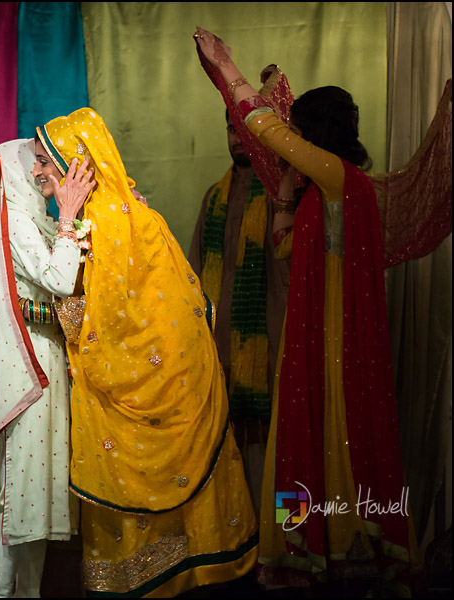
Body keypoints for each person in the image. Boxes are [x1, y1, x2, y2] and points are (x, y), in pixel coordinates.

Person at [195, 27, 417, 595]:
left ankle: (345, 544)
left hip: (336, 342)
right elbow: (282, 244)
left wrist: (229, 69)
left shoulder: (343, 180)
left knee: (337, 436)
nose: (287, 139)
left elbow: (263, 127)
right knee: (299, 441)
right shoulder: (323, 191)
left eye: (297, 133)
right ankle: (305, 543)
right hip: (311, 334)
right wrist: (288, 192)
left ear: (314, 135)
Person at [34, 107, 258, 597]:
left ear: (74, 165)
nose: (36, 172)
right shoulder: (133, 213)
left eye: (44, 161)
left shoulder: (101, 227)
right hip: (179, 376)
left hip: (135, 386)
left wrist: (44, 309)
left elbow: (89, 328)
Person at [0, 138, 94, 597]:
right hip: (29, 373)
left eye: (46, 162)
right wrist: (68, 219)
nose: (44, 171)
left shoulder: (34, 221)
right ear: (13, 175)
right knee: (19, 501)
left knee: (34, 501)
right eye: (36, 163)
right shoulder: (17, 222)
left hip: (47, 365)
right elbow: (62, 282)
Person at [189, 99, 291, 518]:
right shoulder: (214, 198)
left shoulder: (283, 198)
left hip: (273, 347)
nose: (238, 139)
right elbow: (194, 278)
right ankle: (241, 546)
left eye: (246, 131)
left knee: (277, 451)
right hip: (220, 353)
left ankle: (286, 544)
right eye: (232, 130)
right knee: (228, 448)